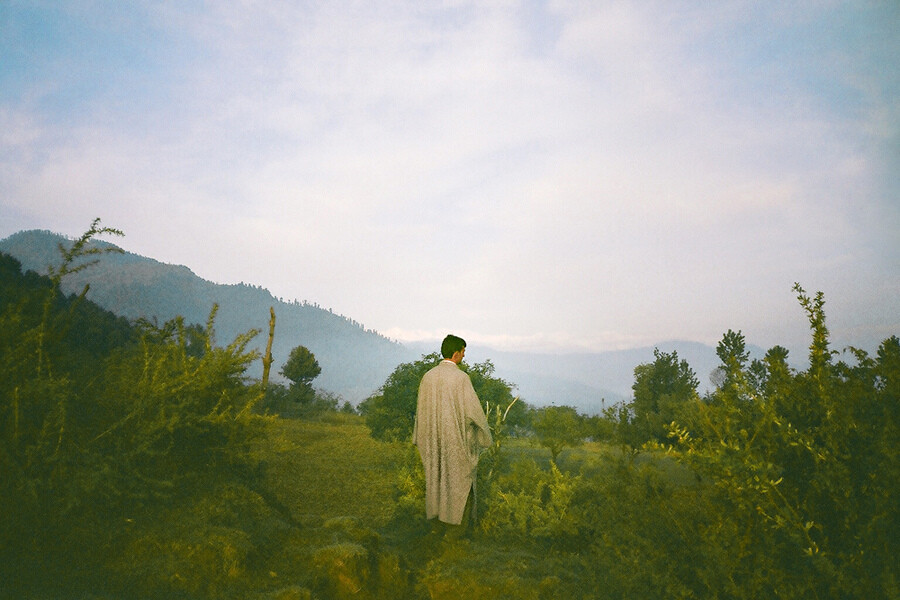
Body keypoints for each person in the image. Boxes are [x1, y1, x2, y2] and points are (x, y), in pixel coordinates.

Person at [413, 334, 492, 537]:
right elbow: (474, 413)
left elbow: (420, 413)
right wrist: (484, 436)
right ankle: (455, 536)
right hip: (456, 443)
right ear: (456, 354)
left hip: (433, 443)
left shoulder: (428, 377)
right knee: (460, 484)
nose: (464, 356)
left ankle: (436, 531)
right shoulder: (461, 379)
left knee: (436, 482)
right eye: (464, 352)